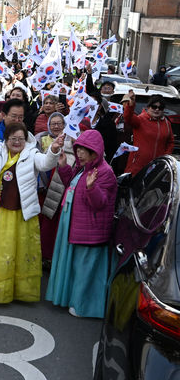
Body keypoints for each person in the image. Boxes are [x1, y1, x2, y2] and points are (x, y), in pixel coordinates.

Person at [0, 110, 62, 303]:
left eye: (21, 139)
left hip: (18, 212)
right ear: (6, 138)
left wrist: (54, 150)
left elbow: (45, 164)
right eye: (13, 138)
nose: (17, 142)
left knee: (10, 249)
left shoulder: (32, 154)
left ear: (26, 140)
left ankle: (11, 289)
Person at [46, 129, 117, 318]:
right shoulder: (85, 169)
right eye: (78, 149)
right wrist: (63, 167)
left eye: (84, 150)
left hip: (90, 232)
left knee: (85, 272)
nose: (79, 154)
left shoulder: (105, 172)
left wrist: (91, 187)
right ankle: (74, 300)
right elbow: (73, 185)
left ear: (95, 151)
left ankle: (83, 306)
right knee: (76, 268)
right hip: (76, 226)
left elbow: (100, 203)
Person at [35, 113, 76, 265]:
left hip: (60, 190)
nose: (56, 126)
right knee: (45, 224)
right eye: (53, 124)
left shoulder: (71, 144)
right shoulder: (41, 138)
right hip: (44, 188)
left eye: (60, 123)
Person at [122, 91, 174, 176]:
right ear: (148, 107)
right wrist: (131, 105)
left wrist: (165, 156)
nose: (157, 109)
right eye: (154, 107)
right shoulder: (141, 119)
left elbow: (170, 142)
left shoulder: (167, 123)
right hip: (138, 166)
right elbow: (128, 118)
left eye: (160, 108)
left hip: (157, 167)